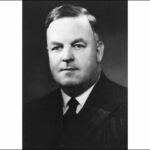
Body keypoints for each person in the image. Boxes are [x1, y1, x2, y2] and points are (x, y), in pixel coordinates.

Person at [23, 4, 127, 149]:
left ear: (98, 52)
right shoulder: (29, 115)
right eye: (57, 47)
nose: (66, 57)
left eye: (78, 45)